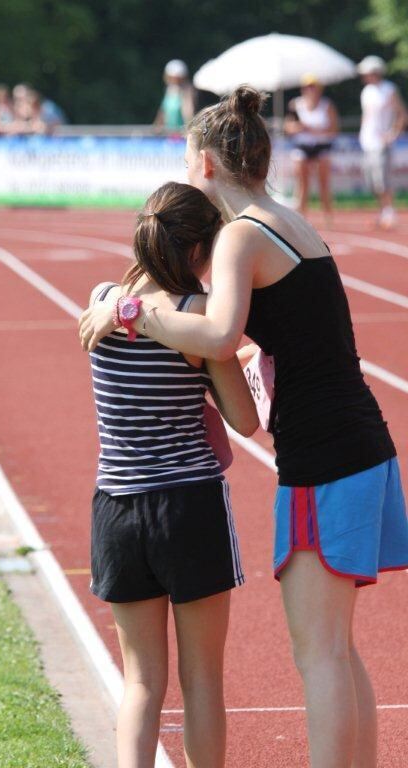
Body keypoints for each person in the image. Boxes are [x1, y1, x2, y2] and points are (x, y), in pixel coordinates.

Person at [79, 86, 408, 768]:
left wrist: (128, 310)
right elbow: (284, 334)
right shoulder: (290, 220)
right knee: (337, 647)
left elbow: (220, 336)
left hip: (323, 456)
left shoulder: (238, 236)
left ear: (203, 162)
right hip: (361, 444)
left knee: (317, 652)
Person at [87, 180, 258, 767]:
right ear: (195, 253)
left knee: (140, 683)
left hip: (116, 506)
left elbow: (97, 329)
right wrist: (230, 366)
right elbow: (246, 421)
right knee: (202, 680)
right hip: (187, 504)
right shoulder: (198, 316)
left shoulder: (105, 300)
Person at [357, 55, 407, 229]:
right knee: (371, 181)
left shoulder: (389, 89)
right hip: (367, 142)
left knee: (382, 180)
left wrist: (392, 134)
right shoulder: (366, 92)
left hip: (381, 143)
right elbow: (366, 116)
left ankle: (389, 213)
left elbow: (402, 114)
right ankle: (384, 211)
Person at [284, 74, 339, 221]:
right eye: (308, 87)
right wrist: (299, 127)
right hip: (302, 146)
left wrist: (314, 130)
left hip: (322, 146)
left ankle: (328, 216)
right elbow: (288, 127)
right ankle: (301, 217)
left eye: (313, 87)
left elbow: (333, 130)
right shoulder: (295, 104)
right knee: (302, 183)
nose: (311, 90)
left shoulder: (327, 105)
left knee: (323, 182)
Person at [154, 59, 195, 132]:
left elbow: (188, 113)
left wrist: (188, 130)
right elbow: (163, 111)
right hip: (168, 133)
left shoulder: (187, 91)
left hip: (181, 134)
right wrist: (157, 127)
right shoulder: (169, 90)